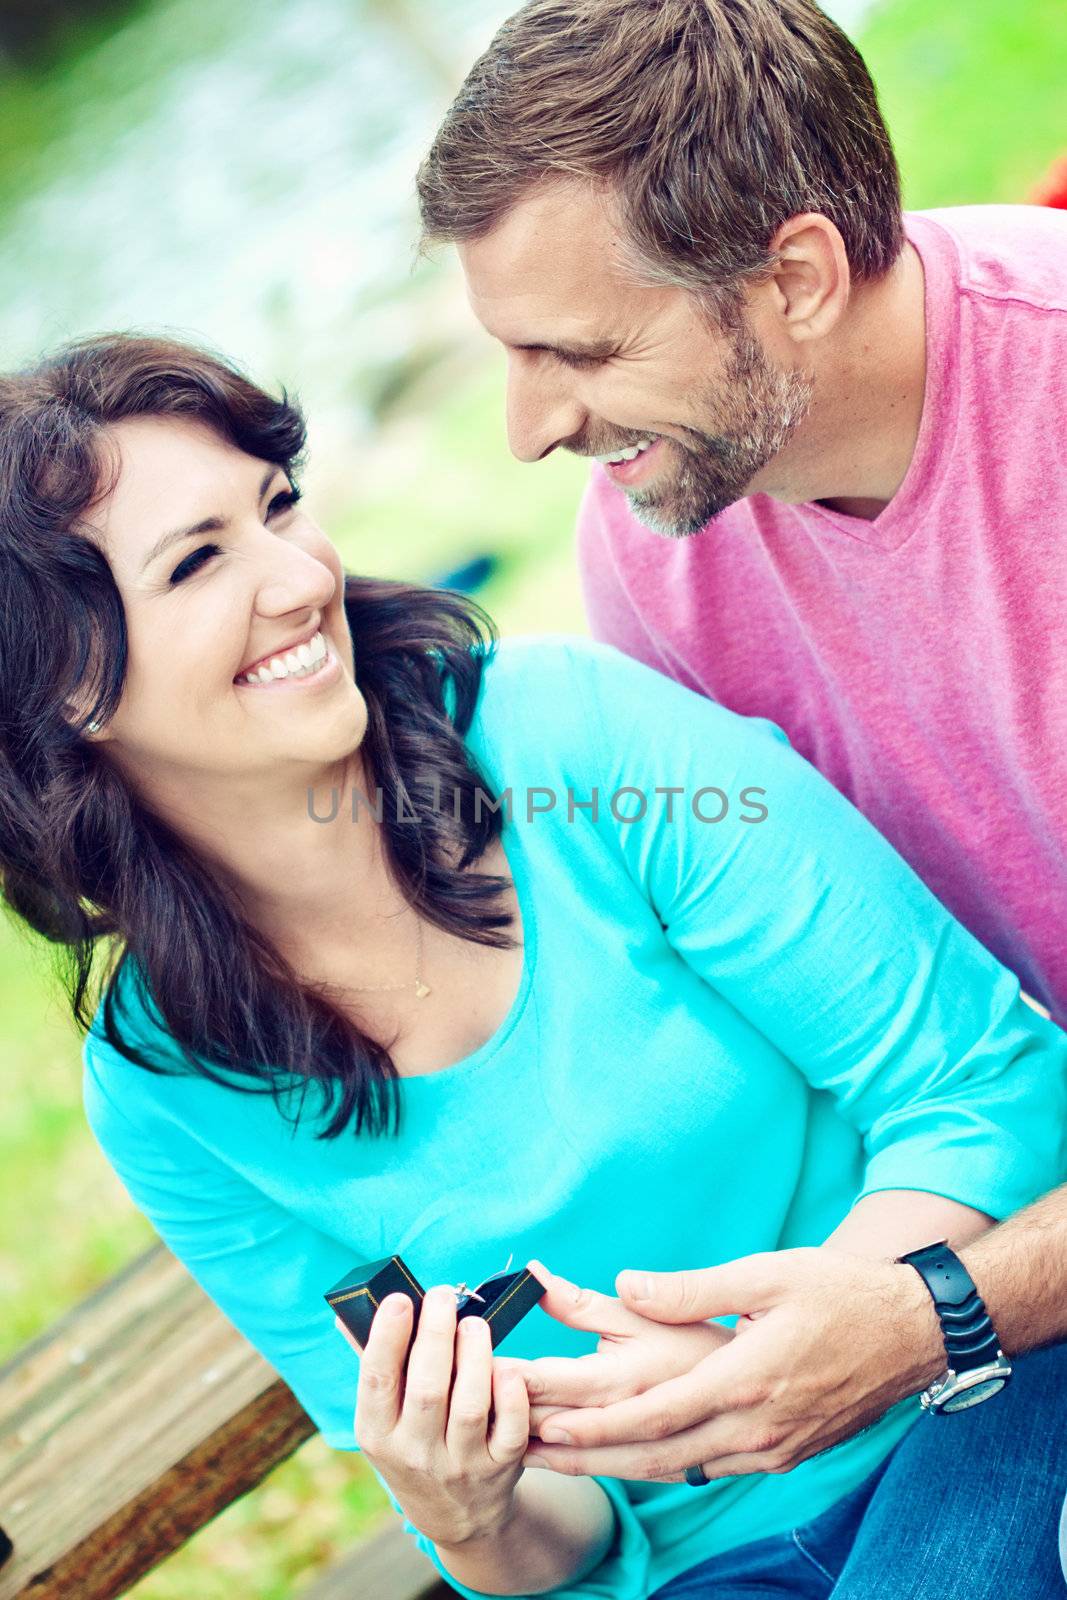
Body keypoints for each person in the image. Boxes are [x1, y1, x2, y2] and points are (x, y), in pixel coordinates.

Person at [3, 332, 1065, 1599]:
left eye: (279, 507)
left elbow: (984, 1086)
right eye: (197, 562)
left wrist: (805, 1339)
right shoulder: (161, 1091)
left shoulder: (569, 732)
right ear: (66, 682)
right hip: (696, 1567)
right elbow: (562, 1547)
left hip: (955, 1383)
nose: (298, 580)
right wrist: (468, 1511)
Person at [414, 0, 1067, 1546]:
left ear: (792, 278)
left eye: (576, 351)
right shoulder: (660, 553)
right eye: (504, 356)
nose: (526, 430)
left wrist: (929, 1319)